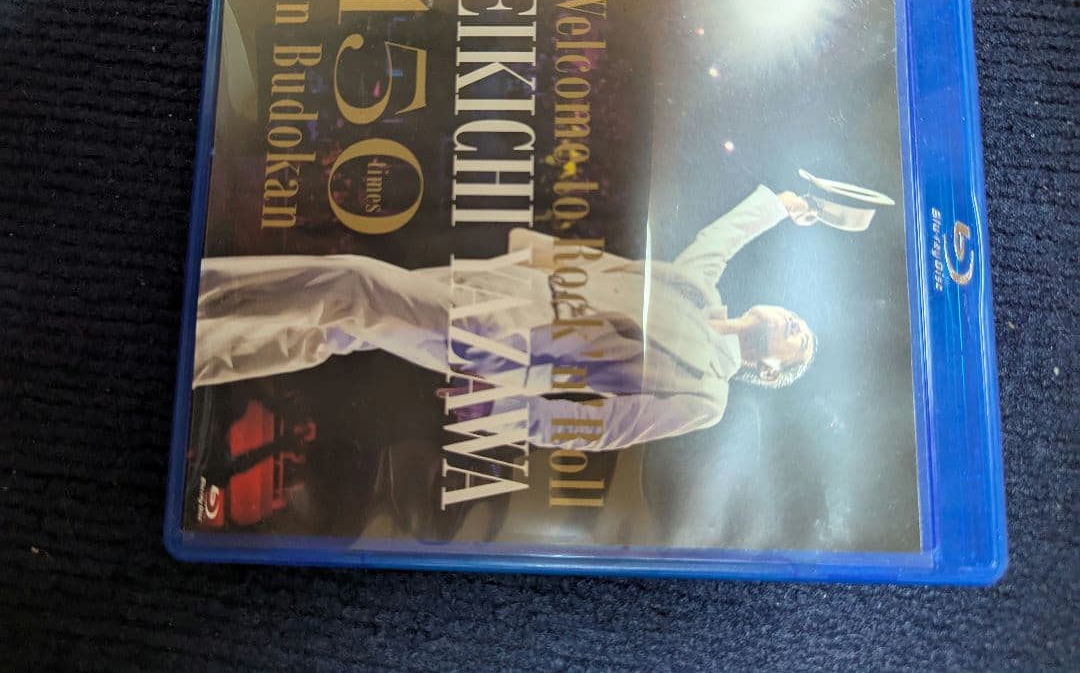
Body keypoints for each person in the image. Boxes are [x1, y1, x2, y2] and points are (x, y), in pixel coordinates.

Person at [193, 185, 818, 450]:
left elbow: (604, 428)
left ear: (768, 370)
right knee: (344, 327)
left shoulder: (708, 396)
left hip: (516, 341)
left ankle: (203, 298)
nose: (798, 327)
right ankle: (202, 353)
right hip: (513, 282)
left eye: (802, 344)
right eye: (800, 322)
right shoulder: (700, 292)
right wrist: (780, 206)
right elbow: (718, 240)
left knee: (355, 285)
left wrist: (505, 412)